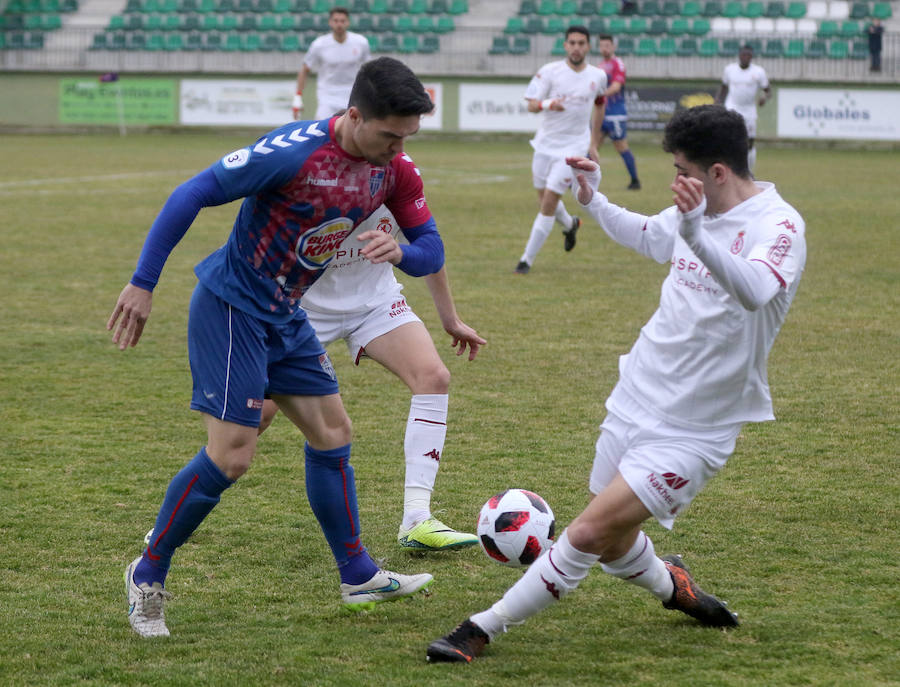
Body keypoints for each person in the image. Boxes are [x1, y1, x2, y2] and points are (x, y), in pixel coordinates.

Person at [427, 104, 806, 663]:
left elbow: (754, 290)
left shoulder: (779, 225)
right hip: (637, 393)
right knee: (611, 541)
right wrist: (594, 200)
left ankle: (481, 628)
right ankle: (674, 587)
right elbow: (650, 235)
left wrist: (696, 234)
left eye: (682, 170)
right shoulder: (696, 210)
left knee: (585, 534)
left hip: (697, 428)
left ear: (718, 172)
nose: (675, 181)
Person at [110, 57, 442, 639]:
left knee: (332, 434)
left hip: (286, 312)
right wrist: (143, 283)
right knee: (232, 456)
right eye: (391, 135)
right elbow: (193, 192)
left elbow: (431, 249)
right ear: (355, 116)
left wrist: (403, 253)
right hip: (232, 307)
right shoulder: (293, 154)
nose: (399, 148)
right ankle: (147, 572)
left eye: (407, 137)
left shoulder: (391, 169)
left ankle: (358, 575)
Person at [256, 202, 487, 552]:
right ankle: (184, 508)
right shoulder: (314, 180)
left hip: (375, 304)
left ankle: (417, 519)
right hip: (302, 309)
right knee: (254, 418)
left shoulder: (400, 178)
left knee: (433, 376)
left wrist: (450, 319)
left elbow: (428, 244)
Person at [514, 25, 607, 275]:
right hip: (544, 145)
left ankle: (525, 261)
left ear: (588, 46)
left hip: (573, 148)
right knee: (544, 198)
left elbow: (600, 105)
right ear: (565, 45)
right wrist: (548, 104)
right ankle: (570, 224)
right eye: (572, 43)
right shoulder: (549, 71)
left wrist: (593, 143)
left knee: (548, 203)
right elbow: (531, 105)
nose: (576, 47)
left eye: (581, 43)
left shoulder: (598, 76)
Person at [293, 6, 371, 120]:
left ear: (348, 22)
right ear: (330, 22)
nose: (339, 24)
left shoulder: (361, 43)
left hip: (352, 95)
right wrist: (298, 97)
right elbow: (305, 69)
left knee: (355, 129)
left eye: (342, 21)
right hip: (327, 96)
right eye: (336, 21)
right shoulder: (319, 44)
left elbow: (369, 70)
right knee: (321, 129)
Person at [716, 44, 770, 173]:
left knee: (749, 142)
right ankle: (730, 169)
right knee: (729, 139)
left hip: (749, 110)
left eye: (748, 55)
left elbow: (768, 91)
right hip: (732, 107)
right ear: (739, 55)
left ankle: (748, 172)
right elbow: (724, 87)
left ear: (751, 57)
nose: (745, 57)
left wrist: (764, 97)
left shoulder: (758, 72)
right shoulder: (730, 70)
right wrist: (717, 101)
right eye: (743, 54)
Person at [596, 34, 641, 190]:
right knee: (592, 146)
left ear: (613, 47)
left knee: (621, 146)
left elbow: (616, 86)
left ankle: (635, 181)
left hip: (615, 114)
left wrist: (600, 95)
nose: (604, 48)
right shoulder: (601, 65)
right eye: (602, 46)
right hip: (602, 112)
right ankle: (578, 180)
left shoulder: (618, 64)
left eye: (607, 45)